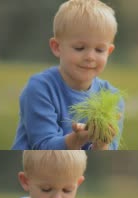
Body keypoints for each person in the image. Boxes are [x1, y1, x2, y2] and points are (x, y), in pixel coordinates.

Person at [11, 0, 124, 150]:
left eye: (99, 50)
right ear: (57, 47)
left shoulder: (112, 98)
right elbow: (43, 146)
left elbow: (110, 150)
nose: (90, 56)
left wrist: (102, 143)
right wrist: (77, 139)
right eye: (79, 48)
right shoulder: (39, 88)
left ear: (109, 52)